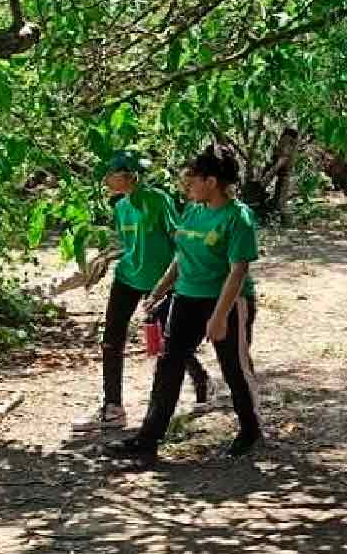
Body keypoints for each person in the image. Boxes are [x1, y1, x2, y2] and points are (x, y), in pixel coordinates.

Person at [104, 145, 264, 463]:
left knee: (234, 366)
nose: (187, 185)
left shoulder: (237, 217)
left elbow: (238, 271)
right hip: (186, 298)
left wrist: (219, 316)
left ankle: (250, 429)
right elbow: (180, 254)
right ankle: (148, 439)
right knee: (168, 365)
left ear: (212, 181)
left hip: (226, 301)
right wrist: (161, 290)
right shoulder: (193, 210)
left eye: (194, 179)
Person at [73, 151, 213, 433]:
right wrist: (108, 256)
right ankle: (113, 406)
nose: (106, 180)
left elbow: (177, 237)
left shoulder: (157, 200)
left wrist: (186, 276)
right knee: (111, 339)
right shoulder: (121, 207)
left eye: (110, 174)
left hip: (160, 281)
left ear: (128, 175)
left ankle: (202, 382)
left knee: (170, 341)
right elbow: (130, 244)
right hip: (127, 278)